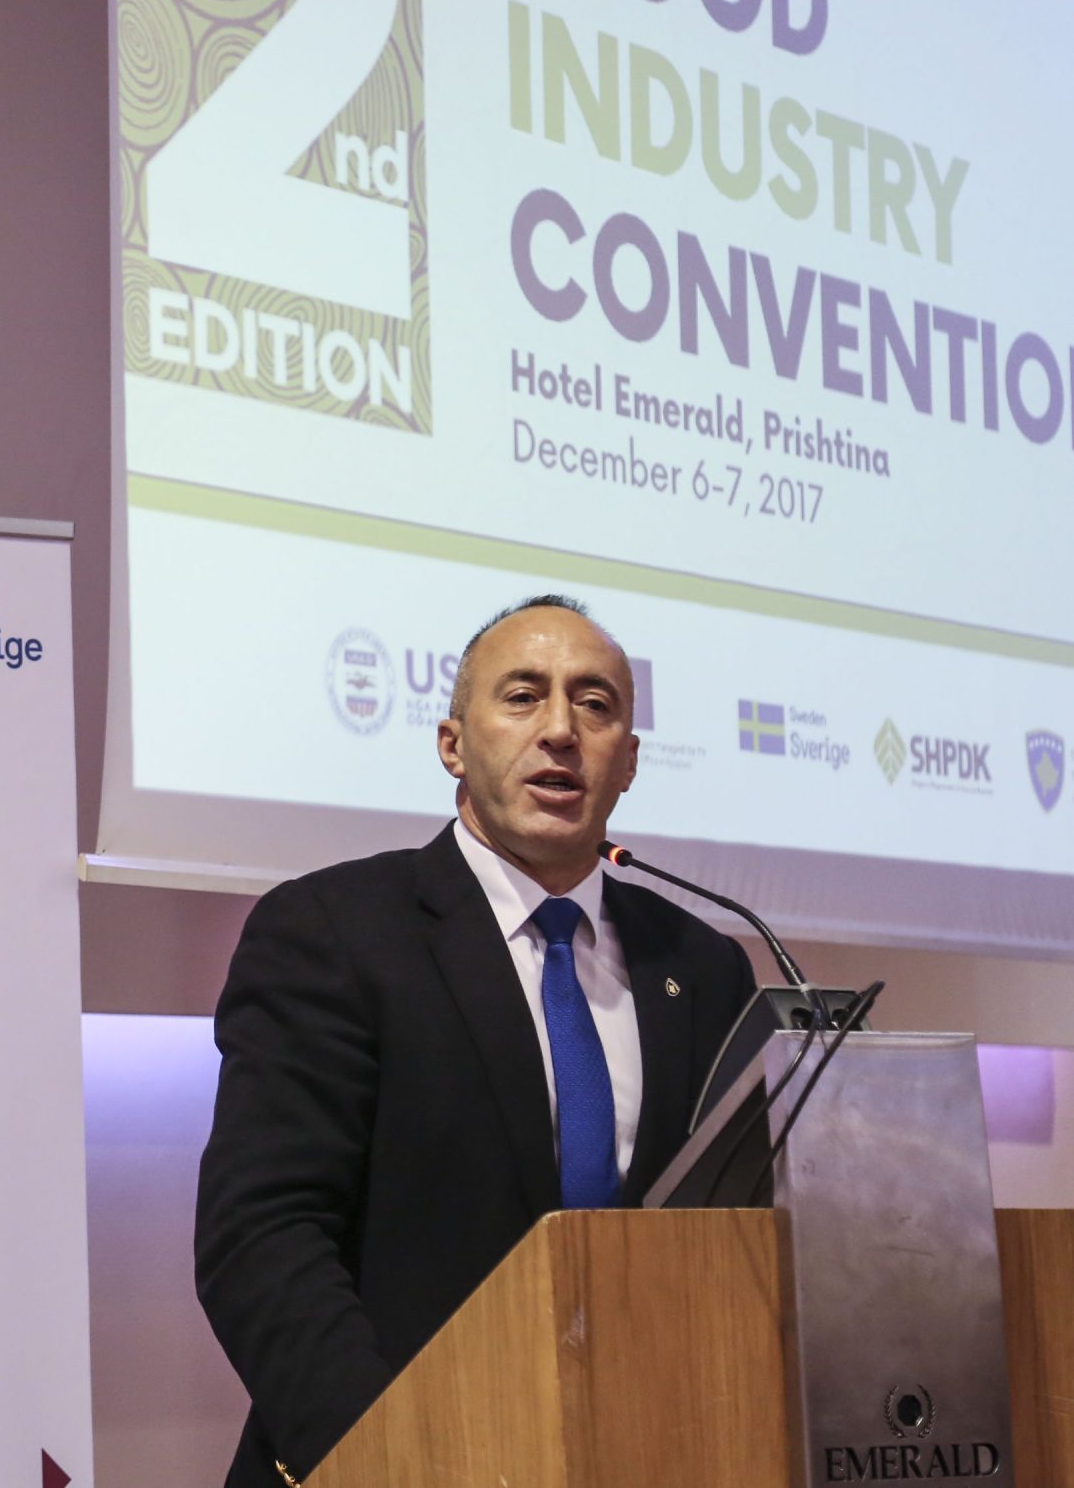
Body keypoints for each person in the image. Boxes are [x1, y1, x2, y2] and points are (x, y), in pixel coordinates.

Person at [194, 596, 758, 1488]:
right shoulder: (332, 930)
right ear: (453, 744)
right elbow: (264, 1237)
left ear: (629, 761)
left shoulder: (701, 964)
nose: (561, 729)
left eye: (596, 704)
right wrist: (395, 1458)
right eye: (524, 696)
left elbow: (730, 1243)